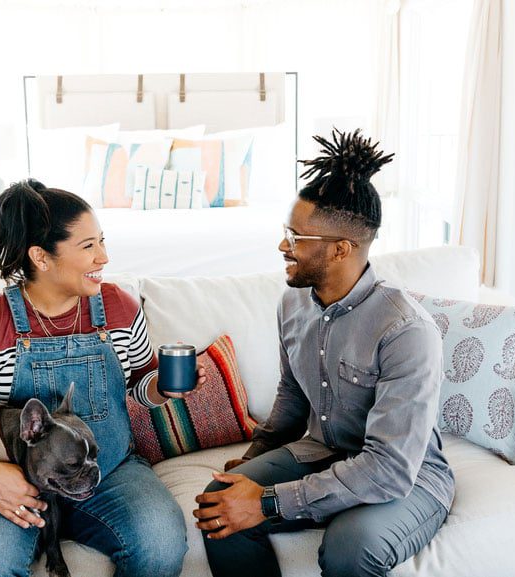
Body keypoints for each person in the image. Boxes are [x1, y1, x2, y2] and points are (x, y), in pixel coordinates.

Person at [0, 180, 201, 577]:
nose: (103, 257)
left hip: (105, 472)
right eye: (88, 246)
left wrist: (161, 388)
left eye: (102, 242)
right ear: (41, 257)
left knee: (160, 546)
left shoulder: (119, 307)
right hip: (12, 484)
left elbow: (137, 386)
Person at [193, 129, 455, 577]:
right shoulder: (292, 303)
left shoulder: (406, 331)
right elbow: (293, 397)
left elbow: (390, 468)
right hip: (322, 452)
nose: (282, 247)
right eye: (285, 233)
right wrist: (256, 458)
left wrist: (270, 500)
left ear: (340, 249)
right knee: (221, 504)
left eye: (295, 237)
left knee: (350, 548)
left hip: (404, 478)